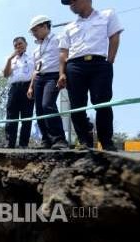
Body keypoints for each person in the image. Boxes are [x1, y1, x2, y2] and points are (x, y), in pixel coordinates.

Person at [58, 0, 123, 151]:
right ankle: (85, 141)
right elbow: (63, 53)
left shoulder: (107, 15)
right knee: (77, 105)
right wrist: (62, 73)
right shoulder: (68, 27)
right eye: (68, 3)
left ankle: (106, 141)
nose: (71, 4)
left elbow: (114, 37)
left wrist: (109, 62)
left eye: (73, 0)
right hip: (74, 66)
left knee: (102, 101)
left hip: (100, 63)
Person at [27, 15, 69, 150]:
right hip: (39, 78)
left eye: (35, 30)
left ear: (44, 26)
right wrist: (31, 86)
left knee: (48, 105)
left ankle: (59, 139)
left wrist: (63, 74)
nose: (33, 34)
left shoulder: (58, 39)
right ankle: (46, 140)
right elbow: (35, 68)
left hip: (53, 76)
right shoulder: (36, 48)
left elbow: (64, 56)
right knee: (39, 110)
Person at [3, 37, 35, 148]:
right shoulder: (11, 59)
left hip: (27, 87)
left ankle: (23, 143)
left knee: (27, 116)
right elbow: (6, 74)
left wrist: (31, 87)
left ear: (26, 44)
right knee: (11, 115)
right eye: (15, 45)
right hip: (14, 88)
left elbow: (35, 73)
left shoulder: (32, 57)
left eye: (20, 44)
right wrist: (9, 59)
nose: (18, 46)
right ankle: (9, 142)